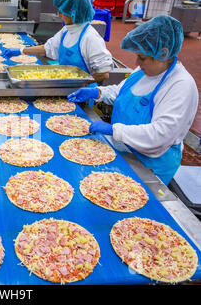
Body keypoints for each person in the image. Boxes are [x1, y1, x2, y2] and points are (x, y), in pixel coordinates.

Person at [67, 15, 199, 186]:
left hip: (150, 167)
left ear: (163, 54)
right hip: (123, 150)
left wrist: (114, 130)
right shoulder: (144, 71)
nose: (136, 62)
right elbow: (122, 91)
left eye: (142, 57)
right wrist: (96, 92)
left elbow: (160, 135)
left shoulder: (180, 85)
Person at [2, 0, 113, 84]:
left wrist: (79, 83)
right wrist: (21, 50)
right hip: (65, 86)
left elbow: (103, 73)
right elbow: (47, 48)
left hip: (83, 91)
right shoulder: (66, 30)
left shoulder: (90, 37)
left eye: (62, 12)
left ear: (73, 13)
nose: (59, 14)